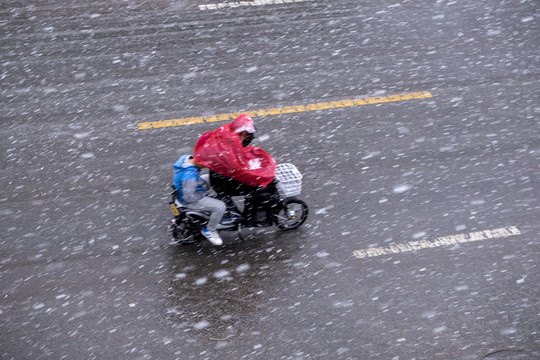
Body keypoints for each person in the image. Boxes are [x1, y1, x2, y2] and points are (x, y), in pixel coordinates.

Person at [173, 154, 226, 245]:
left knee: (209, 178)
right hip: (188, 200)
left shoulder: (187, 159)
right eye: (205, 165)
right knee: (220, 206)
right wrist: (202, 194)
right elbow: (189, 197)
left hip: (187, 189)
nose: (205, 167)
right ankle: (210, 230)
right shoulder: (189, 177)